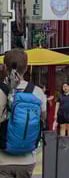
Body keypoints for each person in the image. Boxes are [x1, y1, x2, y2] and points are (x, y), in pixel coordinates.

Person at [0, 49, 47, 178]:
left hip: (2, 160)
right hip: (27, 160)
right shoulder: (37, 92)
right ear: (26, 68)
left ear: (4, 67)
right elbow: (43, 118)